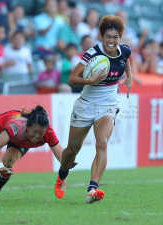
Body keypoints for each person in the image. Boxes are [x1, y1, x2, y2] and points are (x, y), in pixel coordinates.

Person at [54, 14, 132, 203]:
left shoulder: (125, 51)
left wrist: (128, 77)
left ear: (120, 37)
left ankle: (92, 189)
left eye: (115, 37)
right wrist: (90, 80)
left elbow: (126, 62)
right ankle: (62, 175)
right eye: (107, 36)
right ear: (101, 36)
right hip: (86, 105)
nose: (111, 41)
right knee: (72, 150)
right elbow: (71, 79)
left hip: (108, 105)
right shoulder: (92, 54)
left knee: (102, 142)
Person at [0, 105, 77, 201]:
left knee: (8, 161)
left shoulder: (48, 132)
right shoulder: (17, 126)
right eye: (35, 131)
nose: (37, 136)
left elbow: (60, 154)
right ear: (27, 127)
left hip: (21, 139)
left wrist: (66, 163)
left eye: (41, 133)